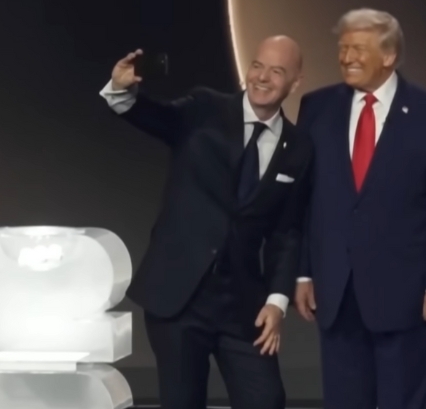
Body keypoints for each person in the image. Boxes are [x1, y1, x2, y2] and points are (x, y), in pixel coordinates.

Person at [97, 35, 313, 409]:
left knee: (266, 400)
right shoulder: (205, 108)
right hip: (178, 300)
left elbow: (287, 232)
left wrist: (277, 302)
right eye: (257, 65)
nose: (262, 77)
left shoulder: (299, 148)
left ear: (294, 83)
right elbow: (153, 116)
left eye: (276, 71)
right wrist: (120, 90)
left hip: (244, 305)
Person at [293, 8, 426, 409]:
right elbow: (305, 199)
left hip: (406, 295)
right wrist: (304, 272)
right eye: (342, 48)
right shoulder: (317, 108)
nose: (346, 57)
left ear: (388, 56)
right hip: (336, 290)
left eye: (358, 48)